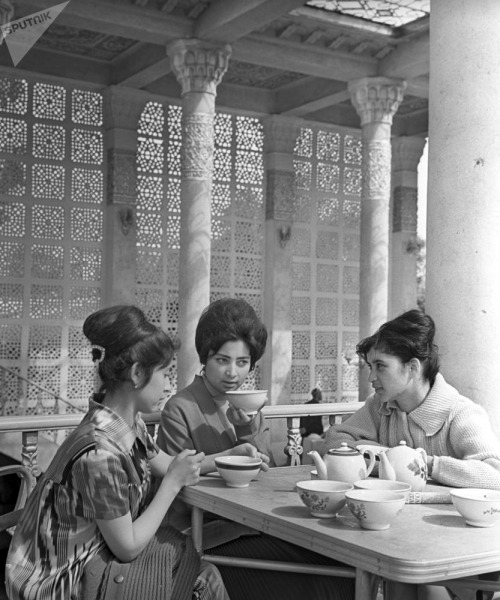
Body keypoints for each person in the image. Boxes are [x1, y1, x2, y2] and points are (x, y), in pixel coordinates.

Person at [6, 305, 229, 600]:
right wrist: (173, 484)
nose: (168, 383)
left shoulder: (125, 423)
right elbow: (128, 547)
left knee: (203, 571)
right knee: (203, 579)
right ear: (138, 374)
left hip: (91, 559)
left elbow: (166, 463)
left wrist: (232, 457)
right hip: (59, 583)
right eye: (164, 372)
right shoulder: (100, 453)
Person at [157, 297, 354, 600]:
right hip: (204, 537)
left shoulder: (251, 408)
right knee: (316, 581)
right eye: (222, 360)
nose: (232, 373)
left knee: (342, 566)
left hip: (256, 526)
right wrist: (225, 459)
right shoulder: (179, 408)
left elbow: (267, 474)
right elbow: (177, 488)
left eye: (242, 362)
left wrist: (247, 429)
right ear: (204, 358)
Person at [324, 308, 500, 600]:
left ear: (413, 367)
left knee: (406, 576)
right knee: (396, 572)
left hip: (459, 559)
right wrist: (386, 458)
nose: (371, 377)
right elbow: (337, 438)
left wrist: (427, 465)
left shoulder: (461, 414)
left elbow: (495, 476)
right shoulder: (381, 407)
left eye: (380, 367)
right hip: (399, 541)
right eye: (370, 367)